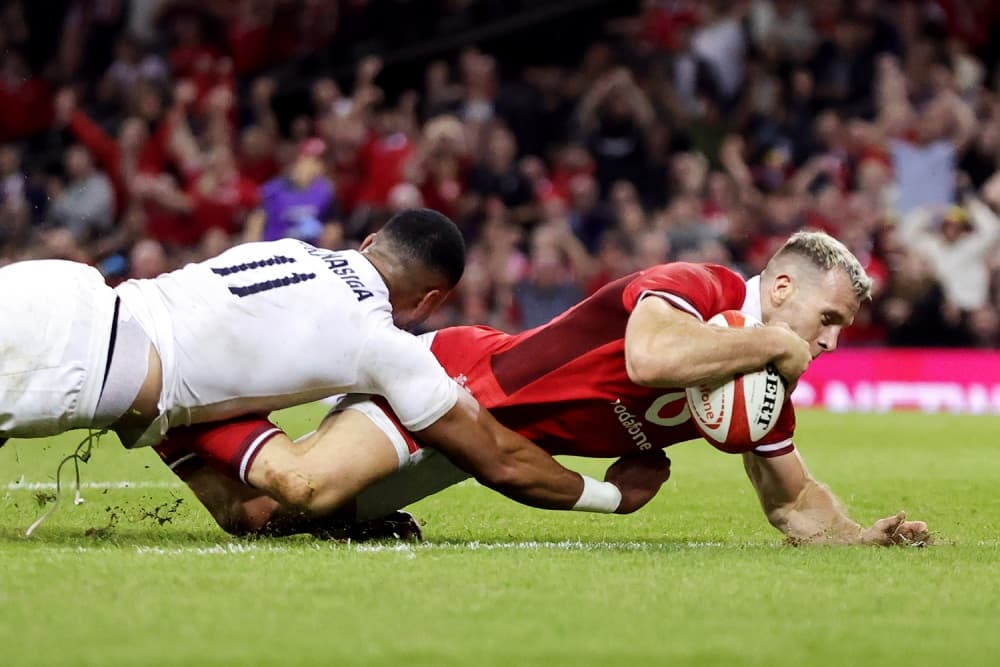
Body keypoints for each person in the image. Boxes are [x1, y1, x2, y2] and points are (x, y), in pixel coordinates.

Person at [155, 231, 929, 546]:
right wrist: (770, 341)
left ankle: (166, 425)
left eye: (838, 331)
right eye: (824, 318)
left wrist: (862, 536)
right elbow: (654, 357)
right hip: (455, 376)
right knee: (299, 496)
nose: (826, 342)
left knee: (259, 519)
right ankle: (168, 390)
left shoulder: (759, 387)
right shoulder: (696, 284)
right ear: (782, 286)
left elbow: (792, 501)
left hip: (488, 441)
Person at [0, 208, 660, 521]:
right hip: (71, 363)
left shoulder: (290, 248)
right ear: (432, 300)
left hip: (56, 290)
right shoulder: (381, 342)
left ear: (371, 241)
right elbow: (499, 457)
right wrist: (611, 496)